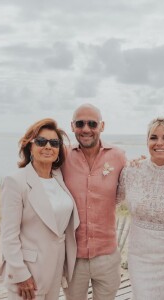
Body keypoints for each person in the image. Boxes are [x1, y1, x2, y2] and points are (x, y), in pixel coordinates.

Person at [0, 118, 80, 300]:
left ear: (59, 150)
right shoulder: (15, 181)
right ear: (30, 147)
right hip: (28, 272)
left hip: (56, 270)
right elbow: (9, 235)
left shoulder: (59, 177)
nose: (48, 146)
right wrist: (20, 274)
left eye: (54, 142)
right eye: (41, 141)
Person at [61, 104, 127, 300]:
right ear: (72, 126)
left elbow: (125, 190)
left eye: (92, 123)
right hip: (72, 258)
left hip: (107, 255)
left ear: (102, 126)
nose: (86, 129)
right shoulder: (62, 156)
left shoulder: (118, 156)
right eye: (80, 124)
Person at [117, 117, 164, 300]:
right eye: (153, 137)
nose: (159, 143)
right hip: (139, 256)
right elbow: (109, 198)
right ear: (147, 141)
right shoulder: (131, 171)